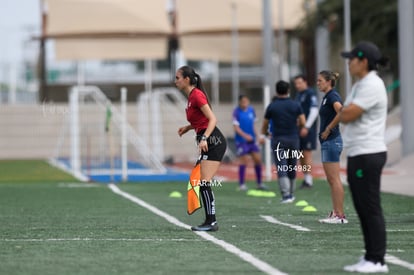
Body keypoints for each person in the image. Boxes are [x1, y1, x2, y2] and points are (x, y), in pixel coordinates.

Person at [340, 41, 389, 273]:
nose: (349, 63)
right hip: (359, 152)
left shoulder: (372, 84)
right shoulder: (361, 84)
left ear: (364, 62)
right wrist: (342, 111)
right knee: (361, 206)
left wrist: (342, 111)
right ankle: (370, 256)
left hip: (368, 153)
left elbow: (348, 114)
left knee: (370, 207)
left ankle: (377, 260)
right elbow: (344, 111)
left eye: (352, 59)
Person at [176, 65, 227, 232]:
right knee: (200, 182)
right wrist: (188, 127)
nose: (175, 81)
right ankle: (209, 220)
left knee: (204, 182)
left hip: (213, 141)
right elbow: (200, 120)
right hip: (207, 140)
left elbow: (212, 119)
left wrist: (204, 138)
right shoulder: (191, 97)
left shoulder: (197, 95)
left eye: (178, 78)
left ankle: (211, 222)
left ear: (187, 79)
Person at [260, 80, 306, 203]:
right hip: (293, 139)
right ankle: (291, 192)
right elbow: (303, 121)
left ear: (277, 91)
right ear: (288, 90)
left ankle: (286, 195)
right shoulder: (295, 104)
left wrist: (265, 133)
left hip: (278, 139)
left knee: (281, 166)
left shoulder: (272, 106)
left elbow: (265, 124)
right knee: (292, 166)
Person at [316, 71, 348, 224]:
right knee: (331, 180)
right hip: (328, 143)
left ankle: (340, 215)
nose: (318, 83)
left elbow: (342, 111)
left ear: (329, 82)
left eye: (320, 80)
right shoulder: (327, 97)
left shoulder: (332, 96)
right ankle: (336, 212)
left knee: (334, 179)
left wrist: (329, 128)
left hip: (332, 141)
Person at [232, 95, 264, 191]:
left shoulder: (251, 110)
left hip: (252, 140)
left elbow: (253, 125)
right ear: (240, 102)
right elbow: (236, 128)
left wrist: (258, 136)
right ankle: (242, 184)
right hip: (242, 141)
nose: (245, 103)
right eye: (243, 101)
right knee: (244, 160)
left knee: (258, 159)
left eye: (246, 101)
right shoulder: (236, 112)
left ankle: (259, 183)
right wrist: (245, 136)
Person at [294, 75, 319, 188]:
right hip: (298, 129)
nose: (297, 86)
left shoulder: (310, 93)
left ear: (305, 82)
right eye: (296, 83)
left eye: (299, 83)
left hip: (308, 129)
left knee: (307, 153)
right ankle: (305, 178)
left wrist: (307, 127)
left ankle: (309, 180)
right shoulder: (298, 95)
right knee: (301, 154)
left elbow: (314, 111)